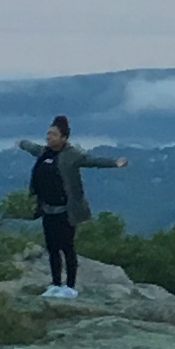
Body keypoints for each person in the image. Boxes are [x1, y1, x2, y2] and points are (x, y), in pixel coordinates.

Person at [24, 113, 126, 301]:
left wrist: (115, 163)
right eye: (48, 134)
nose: (49, 137)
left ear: (63, 138)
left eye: (53, 135)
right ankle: (55, 284)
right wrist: (21, 143)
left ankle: (70, 286)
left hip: (66, 211)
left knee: (67, 247)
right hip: (47, 209)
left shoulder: (72, 155)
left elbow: (92, 161)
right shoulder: (44, 152)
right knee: (52, 248)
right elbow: (31, 148)